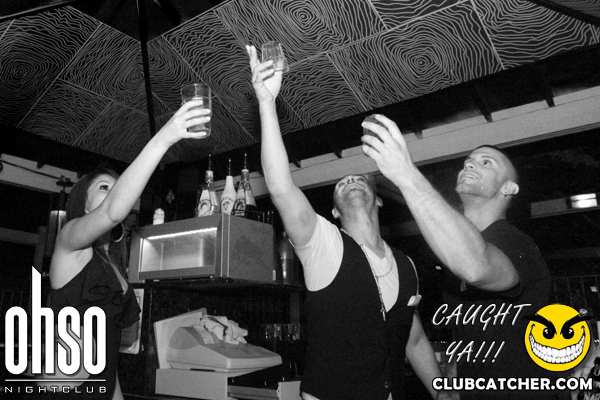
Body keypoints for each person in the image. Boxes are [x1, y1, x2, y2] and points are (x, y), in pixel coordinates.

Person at [246, 45, 450, 400]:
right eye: (341, 183)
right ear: (335, 212)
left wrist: (442, 392)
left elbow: (414, 340)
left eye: (358, 179)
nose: (350, 180)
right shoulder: (323, 244)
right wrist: (266, 103)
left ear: (379, 200)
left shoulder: (406, 265)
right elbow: (280, 187)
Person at [361, 115, 568, 399]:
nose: (469, 164)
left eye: (487, 162)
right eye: (469, 161)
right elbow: (474, 333)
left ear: (508, 188)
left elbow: (477, 268)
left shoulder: (516, 243)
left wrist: (406, 174)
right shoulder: (456, 257)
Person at [39, 100, 211, 399]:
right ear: (84, 204)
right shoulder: (69, 242)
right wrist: (164, 138)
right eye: (104, 188)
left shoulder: (113, 264)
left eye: (116, 188)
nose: (114, 193)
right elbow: (112, 211)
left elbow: (109, 358)